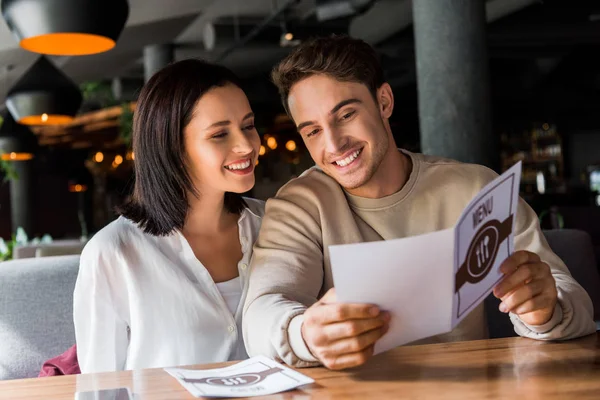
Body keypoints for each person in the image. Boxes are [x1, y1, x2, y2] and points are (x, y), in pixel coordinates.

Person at [242, 35, 596, 370]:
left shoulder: (474, 186)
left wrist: (547, 309)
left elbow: (574, 301)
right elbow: (261, 313)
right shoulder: (299, 205)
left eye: (346, 115)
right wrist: (304, 334)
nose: (333, 145)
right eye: (313, 130)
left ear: (383, 102)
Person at [74, 59, 264, 373]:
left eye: (248, 125)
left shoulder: (275, 224)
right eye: (219, 135)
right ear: (172, 148)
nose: (246, 145)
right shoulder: (112, 253)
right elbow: (101, 390)